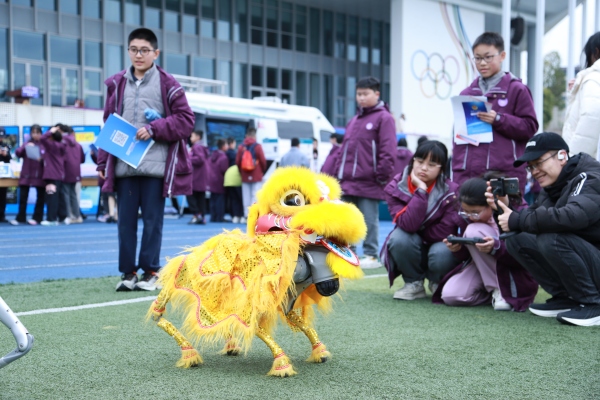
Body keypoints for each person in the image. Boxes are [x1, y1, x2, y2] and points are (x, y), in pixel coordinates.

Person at [96, 27, 194, 292]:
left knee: (152, 222)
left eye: (144, 50)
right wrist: (102, 164)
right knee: (125, 223)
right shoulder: (116, 83)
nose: (138, 55)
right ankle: (128, 273)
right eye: (134, 50)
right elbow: (109, 125)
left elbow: (186, 121)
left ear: (155, 53)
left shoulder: (168, 83)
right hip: (124, 167)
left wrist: (155, 128)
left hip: (155, 167)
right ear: (128, 51)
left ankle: (151, 272)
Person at [494, 132, 600, 326]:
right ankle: (565, 298)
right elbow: (530, 220)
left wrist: (518, 219)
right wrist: (504, 208)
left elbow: (574, 216)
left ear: (562, 156)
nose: (534, 171)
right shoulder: (554, 186)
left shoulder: (590, 176)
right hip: (591, 258)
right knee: (517, 238)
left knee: (551, 237)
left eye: (539, 162)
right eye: (531, 166)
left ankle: (593, 303)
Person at [452, 32, 538, 195]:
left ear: (502, 56)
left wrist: (499, 119)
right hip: (469, 175)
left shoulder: (516, 90)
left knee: (505, 218)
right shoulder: (467, 93)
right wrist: (458, 170)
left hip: (504, 173)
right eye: (477, 58)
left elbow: (530, 126)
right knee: (468, 219)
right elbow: (459, 139)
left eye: (488, 57)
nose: (482, 63)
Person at [434, 177, 537, 311]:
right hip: (483, 268)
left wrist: (496, 247)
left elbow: (524, 256)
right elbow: (469, 255)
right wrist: (458, 249)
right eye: (466, 211)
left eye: (475, 212)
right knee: (451, 296)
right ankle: (495, 294)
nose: (470, 216)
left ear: (490, 204)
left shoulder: (514, 213)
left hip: (513, 271)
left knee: (473, 231)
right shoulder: (467, 218)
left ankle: (502, 292)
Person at [381, 140, 465, 299]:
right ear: (413, 160)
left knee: (443, 250)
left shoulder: (452, 191)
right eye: (419, 161)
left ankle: (437, 282)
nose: (424, 168)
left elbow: (446, 230)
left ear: (442, 169)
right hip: (411, 241)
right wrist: (421, 190)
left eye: (432, 164)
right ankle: (414, 283)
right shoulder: (395, 187)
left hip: (437, 243)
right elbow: (407, 225)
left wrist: (417, 235)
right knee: (399, 238)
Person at [331, 76, 397, 269]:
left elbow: (388, 149)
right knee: (347, 220)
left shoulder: (384, 118)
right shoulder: (354, 120)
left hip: (370, 180)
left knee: (369, 219)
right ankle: (347, 251)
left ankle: (371, 254)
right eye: (358, 94)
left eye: (365, 94)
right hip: (347, 181)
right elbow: (343, 151)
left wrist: (381, 176)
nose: (361, 98)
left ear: (377, 94)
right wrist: (337, 174)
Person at [562, 32, 600, 159]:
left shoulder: (593, 79)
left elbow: (590, 120)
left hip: (587, 166)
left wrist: (573, 161)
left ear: (596, 51)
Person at [11, 124, 45, 226]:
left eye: (37, 133)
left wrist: (41, 158)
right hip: (26, 174)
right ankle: (21, 217)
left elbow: (48, 158)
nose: (35, 135)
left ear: (41, 133)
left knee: (40, 197)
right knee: (23, 197)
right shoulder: (27, 143)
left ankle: (37, 217)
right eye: (33, 133)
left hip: (40, 174)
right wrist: (26, 146)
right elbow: (17, 153)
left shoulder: (44, 144)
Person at [236, 127, 267, 224]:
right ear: (254, 135)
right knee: (255, 196)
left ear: (247, 135)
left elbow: (237, 161)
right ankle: (254, 217)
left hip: (245, 175)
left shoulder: (241, 146)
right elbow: (263, 161)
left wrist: (242, 172)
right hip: (256, 175)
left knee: (246, 197)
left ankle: (246, 216)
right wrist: (261, 171)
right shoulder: (257, 146)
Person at [40, 124, 67, 226]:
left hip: (51, 175)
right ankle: (63, 217)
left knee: (52, 198)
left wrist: (51, 131)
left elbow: (42, 138)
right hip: (59, 174)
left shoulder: (52, 145)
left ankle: (51, 219)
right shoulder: (62, 145)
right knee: (59, 197)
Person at [61, 126, 85, 224]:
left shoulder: (63, 143)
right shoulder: (78, 145)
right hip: (76, 172)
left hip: (66, 171)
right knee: (73, 194)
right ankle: (77, 216)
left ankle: (69, 216)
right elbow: (82, 159)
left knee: (66, 194)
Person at [187, 130, 210, 225]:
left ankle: (196, 215)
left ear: (198, 137)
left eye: (192, 136)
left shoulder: (197, 147)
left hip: (196, 176)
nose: (190, 138)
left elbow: (199, 159)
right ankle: (202, 216)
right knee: (200, 197)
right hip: (201, 177)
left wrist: (187, 158)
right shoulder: (202, 147)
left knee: (190, 194)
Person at [208, 139, 229, 223]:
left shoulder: (212, 155)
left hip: (211, 179)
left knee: (213, 199)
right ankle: (219, 217)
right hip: (220, 180)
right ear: (223, 146)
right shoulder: (223, 157)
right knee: (220, 200)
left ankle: (213, 216)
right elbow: (224, 169)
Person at [0, 130, 12, 223]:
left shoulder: (5, 146)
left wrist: (6, 154)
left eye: (2, 136)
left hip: (3, 175)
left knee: (3, 196)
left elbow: (10, 159)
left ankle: (1, 215)